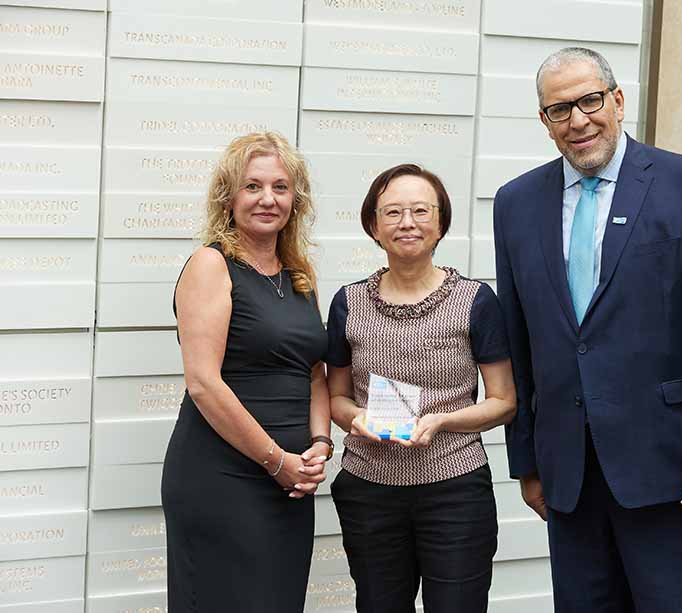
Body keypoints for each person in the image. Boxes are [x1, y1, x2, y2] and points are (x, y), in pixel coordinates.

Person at [493, 47, 682, 612]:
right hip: (569, 478)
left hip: (675, 474)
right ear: (544, 121)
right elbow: (519, 342)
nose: (578, 120)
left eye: (589, 100)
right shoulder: (515, 204)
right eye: (559, 110)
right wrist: (528, 463)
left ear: (616, 99)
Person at [325, 163, 516, 613]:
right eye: (392, 212)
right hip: (369, 490)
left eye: (419, 211)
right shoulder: (347, 303)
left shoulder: (475, 301)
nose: (406, 223)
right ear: (373, 225)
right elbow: (335, 398)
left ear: (440, 222)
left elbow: (504, 402)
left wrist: (444, 419)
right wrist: (358, 419)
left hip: (454, 489)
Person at [161, 132, 332, 612]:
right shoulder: (210, 264)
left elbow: (314, 372)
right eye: (252, 186)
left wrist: (318, 445)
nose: (267, 199)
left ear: (295, 200)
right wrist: (276, 461)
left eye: (280, 187)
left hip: (292, 484)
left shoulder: (299, 274)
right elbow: (203, 383)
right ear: (228, 196)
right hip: (222, 479)